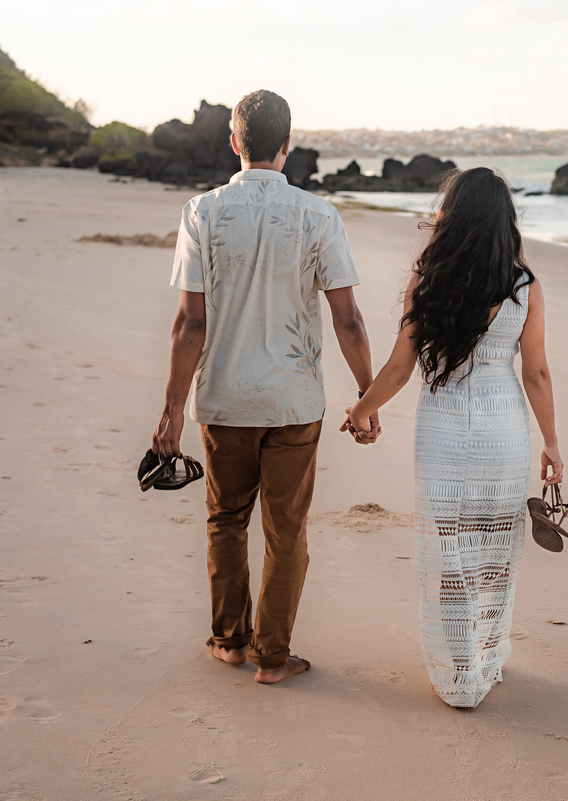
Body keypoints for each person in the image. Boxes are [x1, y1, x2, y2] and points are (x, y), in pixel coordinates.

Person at [150, 89, 379, 685]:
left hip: (224, 399)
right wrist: (367, 396)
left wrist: (172, 411)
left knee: (226, 520)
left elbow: (189, 323)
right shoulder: (318, 215)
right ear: (287, 145)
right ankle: (272, 658)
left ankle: (229, 642)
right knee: (287, 531)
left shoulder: (201, 212)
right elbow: (347, 318)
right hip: (294, 401)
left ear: (234, 142)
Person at [346, 167, 563, 708]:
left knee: (448, 550)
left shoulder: (429, 280)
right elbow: (535, 372)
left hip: (443, 425)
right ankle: (485, 662)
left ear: (451, 217)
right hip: (503, 427)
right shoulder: (524, 287)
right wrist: (552, 443)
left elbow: (400, 366)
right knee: (493, 547)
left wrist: (361, 410)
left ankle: (456, 674)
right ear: (504, 221)